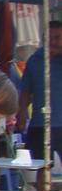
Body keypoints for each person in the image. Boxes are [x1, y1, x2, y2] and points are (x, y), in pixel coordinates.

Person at [17, 18, 62, 163]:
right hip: (40, 123)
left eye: (58, 38)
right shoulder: (34, 60)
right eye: (49, 38)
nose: (53, 42)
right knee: (41, 166)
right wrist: (22, 113)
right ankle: (43, 187)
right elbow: (25, 91)